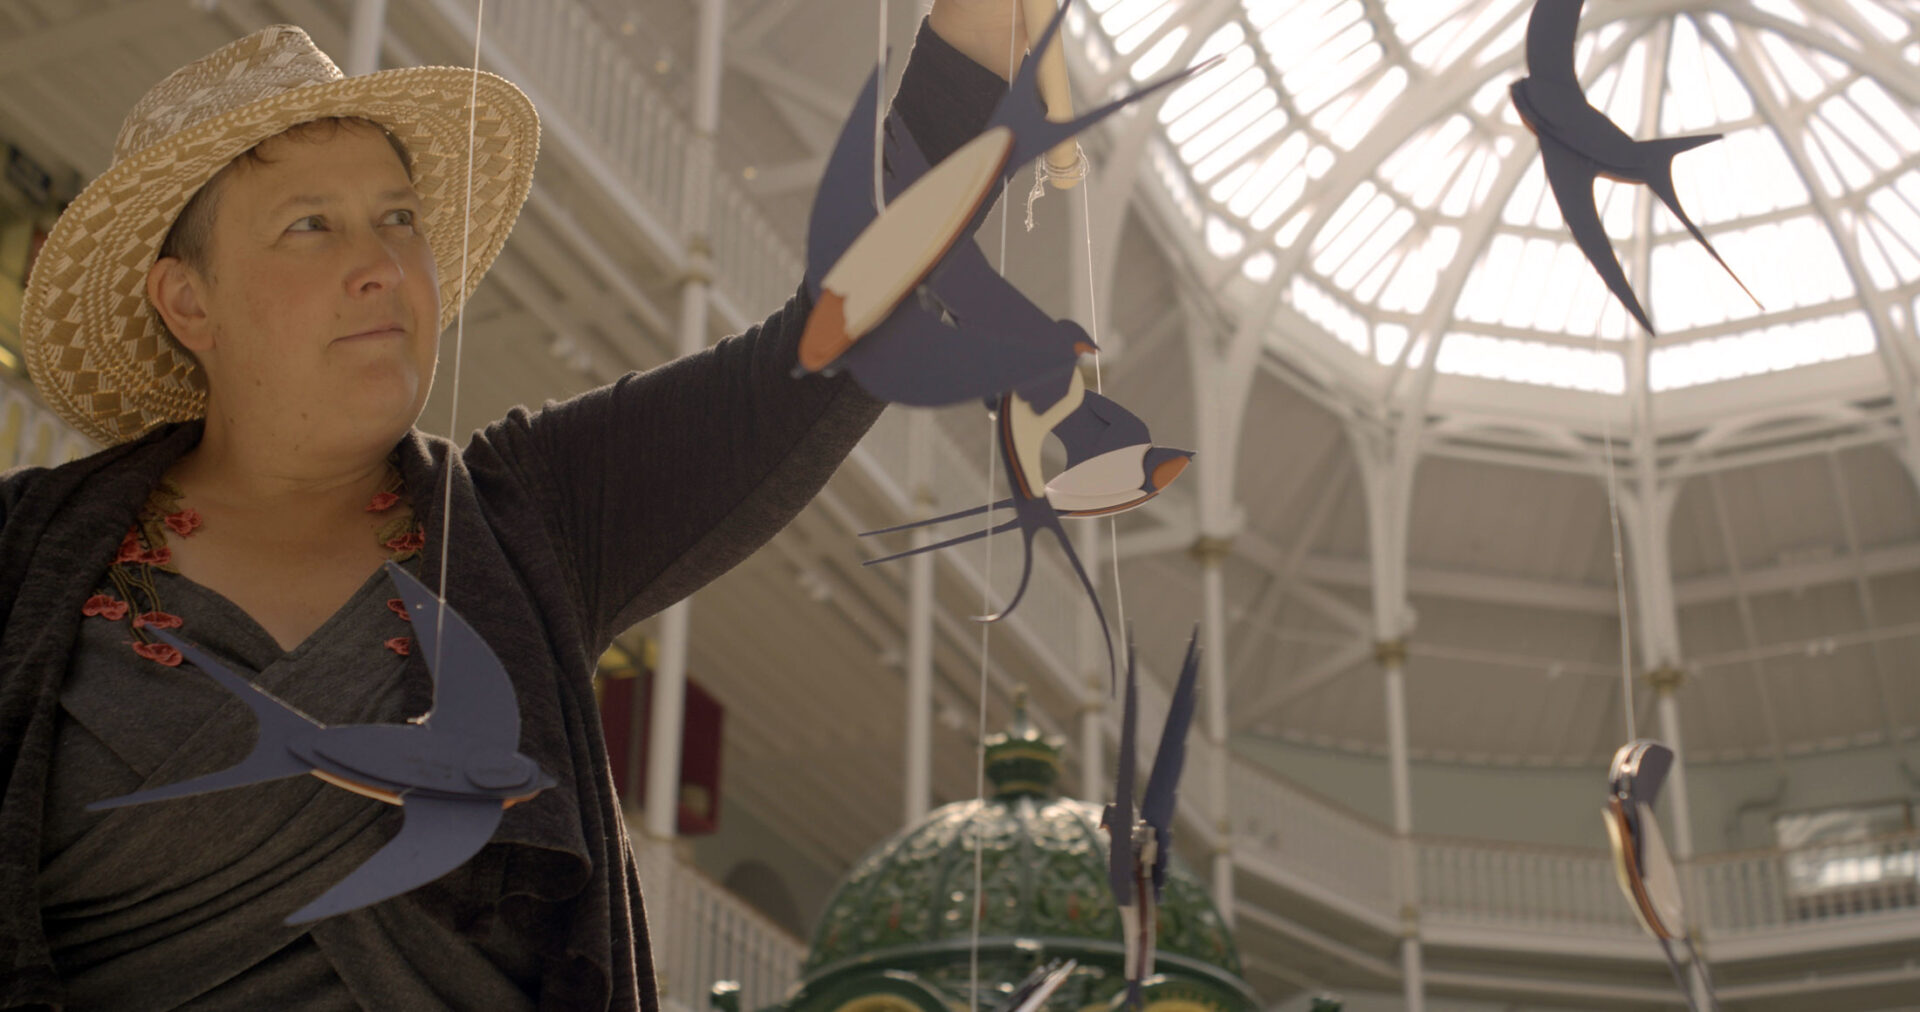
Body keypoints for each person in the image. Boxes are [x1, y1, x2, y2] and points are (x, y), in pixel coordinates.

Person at [0, 2, 1044, 1009]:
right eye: (310, 225)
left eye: (399, 219)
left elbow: (841, 325)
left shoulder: (526, 520)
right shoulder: (23, 559)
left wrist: (977, 42)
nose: (380, 266)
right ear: (189, 301)